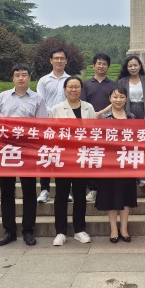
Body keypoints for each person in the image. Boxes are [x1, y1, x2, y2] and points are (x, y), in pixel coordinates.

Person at [0, 63, 48, 247]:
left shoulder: (37, 99)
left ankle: (28, 230)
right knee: (6, 191)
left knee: (29, 191)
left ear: (29, 77)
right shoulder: (3, 97)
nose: (21, 78)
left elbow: (43, 125)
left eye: (24, 74)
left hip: (27, 150)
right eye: (17, 75)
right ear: (12, 78)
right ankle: (9, 231)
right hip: (6, 150)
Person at [49, 76, 96, 246]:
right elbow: (51, 133)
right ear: (65, 89)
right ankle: (60, 232)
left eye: (76, 87)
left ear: (81, 89)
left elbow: (94, 132)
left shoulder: (88, 108)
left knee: (80, 195)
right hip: (63, 157)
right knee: (61, 195)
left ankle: (79, 230)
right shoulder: (56, 109)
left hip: (81, 157)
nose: (73, 90)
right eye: (70, 87)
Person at [95, 85, 138, 243]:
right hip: (109, 164)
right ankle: (113, 229)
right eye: (115, 97)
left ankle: (124, 229)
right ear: (110, 98)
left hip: (127, 162)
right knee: (110, 197)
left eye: (121, 97)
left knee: (126, 197)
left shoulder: (132, 117)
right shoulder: (103, 118)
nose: (118, 100)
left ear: (126, 99)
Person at [36, 47, 71, 203]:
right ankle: (44, 190)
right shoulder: (44, 80)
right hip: (47, 123)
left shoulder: (70, 80)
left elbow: (72, 100)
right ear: (51, 60)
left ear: (66, 61)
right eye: (56, 58)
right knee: (46, 155)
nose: (59, 61)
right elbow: (40, 101)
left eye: (62, 58)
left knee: (65, 156)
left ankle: (66, 190)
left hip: (66, 124)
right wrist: (52, 114)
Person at [81, 53, 115, 202]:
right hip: (90, 127)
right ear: (94, 65)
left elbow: (116, 101)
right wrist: (92, 115)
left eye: (104, 64)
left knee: (107, 157)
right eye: (99, 63)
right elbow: (82, 103)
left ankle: (107, 188)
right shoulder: (86, 84)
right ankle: (93, 189)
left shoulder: (113, 84)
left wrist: (100, 113)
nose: (101, 66)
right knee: (92, 157)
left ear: (108, 66)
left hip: (109, 126)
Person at [116, 55, 145, 189]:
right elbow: (118, 98)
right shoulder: (122, 81)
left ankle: (142, 176)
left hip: (143, 112)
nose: (133, 68)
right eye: (130, 66)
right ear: (126, 68)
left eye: (135, 65)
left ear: (140, 66)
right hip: (128, 113)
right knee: (129, 145)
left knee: (142, 145)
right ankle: (131, 174)